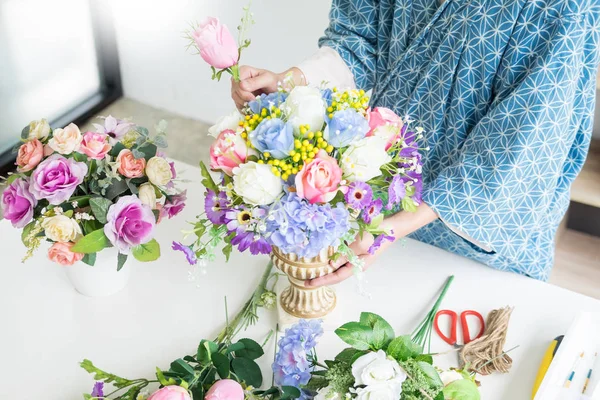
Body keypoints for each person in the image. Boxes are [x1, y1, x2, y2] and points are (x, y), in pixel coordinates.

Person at [231, 0, 600, 287]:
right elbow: (361, 38)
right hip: (381, 189)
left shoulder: (565, 7)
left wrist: (394, 227)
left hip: (480, 230)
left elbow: (525, 135)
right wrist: (288, 81)